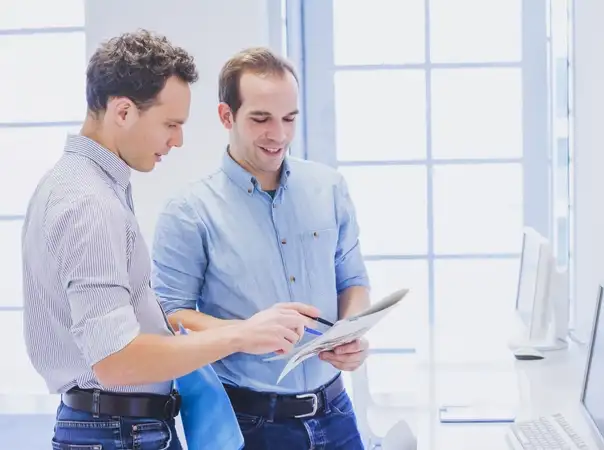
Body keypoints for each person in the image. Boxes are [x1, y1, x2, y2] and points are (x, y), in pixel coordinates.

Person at [22, 31, 316, 449]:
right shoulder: (87, 203)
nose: (177, 140)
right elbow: (116, 361)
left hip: (117, 429)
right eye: (171, 125)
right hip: (117, 434)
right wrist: (242, 335)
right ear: (123, 111)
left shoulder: (80, 186)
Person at [151, 47, 371, 449]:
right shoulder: (188, 212)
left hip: (336, 412)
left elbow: (353, 281)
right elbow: (170, 316)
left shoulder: (329, 188)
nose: (280, 134)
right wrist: (244, 333)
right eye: (261, 119)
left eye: (289, 119)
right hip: (249, 423)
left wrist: (351, 332)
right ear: (226, 116)